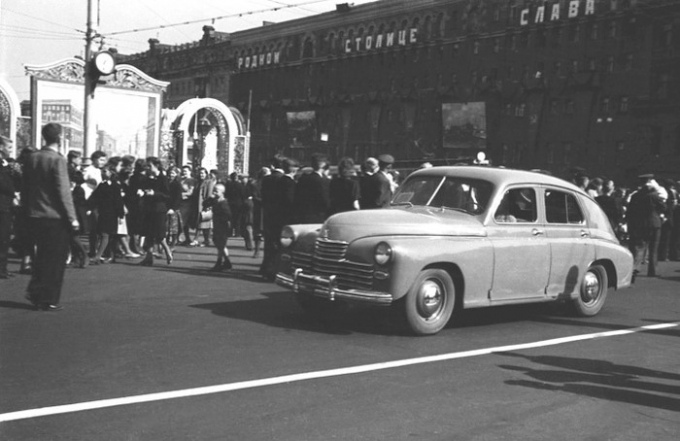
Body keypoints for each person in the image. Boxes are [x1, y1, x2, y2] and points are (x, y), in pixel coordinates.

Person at [22, 123, 79, 311]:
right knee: (54, 259)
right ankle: (48, 298)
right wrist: (72, 217)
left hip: (34, 214)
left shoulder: (32, 158)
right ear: (60, 138)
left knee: (40, 257)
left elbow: (26, 188)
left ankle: (36, 292)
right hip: (55, 216)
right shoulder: (57, 160)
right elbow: (63, 191)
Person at [626, 173, 666, 281]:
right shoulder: (654, 195)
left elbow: (630, 211)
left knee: (640, 247)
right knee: (654, 248)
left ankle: (635, 267)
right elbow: (664, 207)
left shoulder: (635, 196)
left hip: (641, 223)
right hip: (654, 223)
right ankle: (652, 270)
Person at [138, 157, 173, 266]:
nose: (148, 168)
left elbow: (167, 195)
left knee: (159, 234)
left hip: (159, 209)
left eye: (150, 166)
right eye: (147, 166)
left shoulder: (163, 178)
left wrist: (154, 193)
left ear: (156, 166)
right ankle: (148, 258)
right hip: (148, 209)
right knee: (148, 234)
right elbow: (143, 189)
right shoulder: (146, 178)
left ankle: (167, 251)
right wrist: (142, 192)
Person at [87, 167, 125, 264]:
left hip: (112, 213)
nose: (102, 173)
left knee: (105, 234)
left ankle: (98, 256)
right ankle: (109, 255)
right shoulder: (102, 185)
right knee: (105, 234)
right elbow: (94, 198)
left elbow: (118, 201)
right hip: (103, 212)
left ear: (111, 173)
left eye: (105, 171)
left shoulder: (115, 185)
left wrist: (120, 214)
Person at [260, 154, 285, 279]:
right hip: (281, 215)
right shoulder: (285, 179)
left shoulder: (266, 179)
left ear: (272, 165)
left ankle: (266, 267)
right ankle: (275, 268)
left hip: (268, 214)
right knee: (279, 243)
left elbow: (263, 197)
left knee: (269, 242)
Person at [82, 150, 107, 257]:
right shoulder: (88, 170)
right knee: (94, 228)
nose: (103, 162)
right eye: (101, 160)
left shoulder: (99, 171)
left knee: (97, 227)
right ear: (94, 159)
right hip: (91, 201)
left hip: (99, 201)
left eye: (104, 160)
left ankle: (95, 250)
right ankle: (93, 250)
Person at [203, 182, 232, 271]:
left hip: (222, 226)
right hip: (217, 225)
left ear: (222, 192)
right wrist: (210, 198)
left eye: (216, 191)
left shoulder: (224, 203)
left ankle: (223, 262)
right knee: (219, 244)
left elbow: (228, 215)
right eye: (213, 191)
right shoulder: (215, 201)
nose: (214, 193)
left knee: (221, 245)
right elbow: (204, 204)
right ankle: (225, 262)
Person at [294, 153, 330, 223]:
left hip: (304, 214)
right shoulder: (323, 181)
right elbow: (325, 200)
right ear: (324, 165)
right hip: (319, 215)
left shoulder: (303, 179)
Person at [190, 167, 214, 247]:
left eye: (203, 173)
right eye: (200, 173)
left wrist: (208, 205)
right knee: (204, 224)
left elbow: (209, 194)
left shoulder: (209, 182)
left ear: (206, 174)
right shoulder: (198, 182)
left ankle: (196, 239)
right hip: (197, 205)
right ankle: (207, 240)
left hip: (204, 205)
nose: (201, 175)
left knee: (201, 223)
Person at [0, 145, 14, 279]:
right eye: (8, 146)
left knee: (4, 238)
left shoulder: (7, 164)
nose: (10, 149)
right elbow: (5, 184)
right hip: (2, 206)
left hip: (6, 205)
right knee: (3, 237)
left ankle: (3, 268)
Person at [166, 166, 183, 248]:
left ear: (176, 174)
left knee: (174, 228)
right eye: (170, 172)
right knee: (166, 227)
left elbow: (178, 198)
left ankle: (173, 244)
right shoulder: (166, 182)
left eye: (173, 173)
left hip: (174, 208)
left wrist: (173, 208)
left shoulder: (177, 184)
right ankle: (166, 244)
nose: (171, 174)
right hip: (166, 206)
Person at [178, 165, 195, 245]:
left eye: (185, 171)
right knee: (183, 221)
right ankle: (187, 238)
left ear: (190, 172)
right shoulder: (180, 180)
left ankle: (177, 237)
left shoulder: (191, 181)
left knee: (182, 221)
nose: (184, 172)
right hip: (180, 203)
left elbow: (191, 192)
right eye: (183, 171)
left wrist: (180, 194)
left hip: (188, 203)